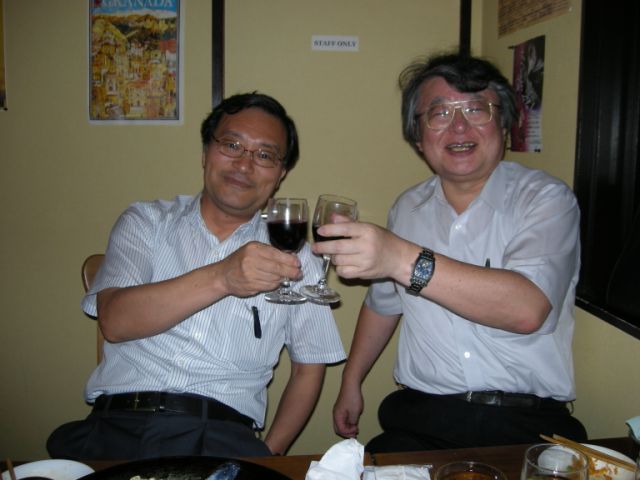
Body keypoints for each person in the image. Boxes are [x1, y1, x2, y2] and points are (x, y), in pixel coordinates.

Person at [47, 92, 346, 460]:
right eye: (231, 145)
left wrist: (268, 456)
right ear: (206, 152)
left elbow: (308, 367)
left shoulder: (295, 254)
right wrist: (223, 276)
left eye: (265, 155)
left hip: (222, 437)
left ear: (281, 174)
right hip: (117, 426)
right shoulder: (146, 222)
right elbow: (114, 321)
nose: (244, 164)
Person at [313, 53, 587, 451]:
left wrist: (399, 257)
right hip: (420, 417)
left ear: (505, 125)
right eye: (439, 113)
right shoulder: (407, 208)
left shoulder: (546, 199)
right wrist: (351, 381)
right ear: (418, 138)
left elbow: (527, 309)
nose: (459, 126)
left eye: (477, 109)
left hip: (525, 422)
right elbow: (383, 304)